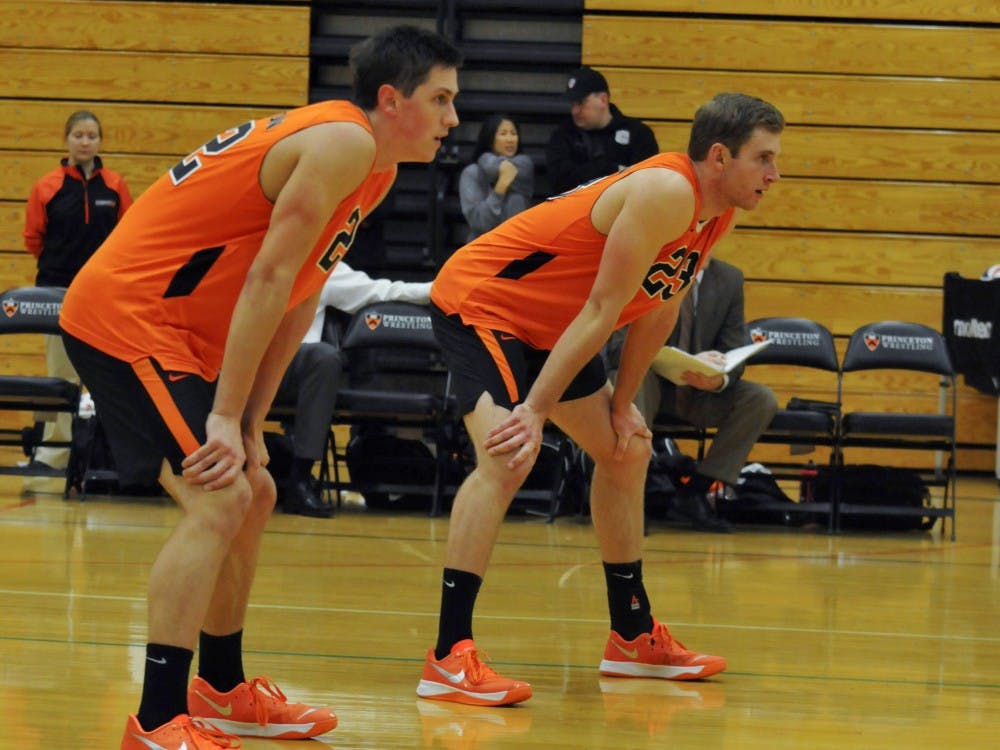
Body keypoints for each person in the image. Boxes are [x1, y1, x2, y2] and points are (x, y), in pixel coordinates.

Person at [58, 25, 461, 750]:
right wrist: (221, 416)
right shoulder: (343, 142)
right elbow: (267, 278)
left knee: (256, 488)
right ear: (392, 99)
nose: (452, 119)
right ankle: (154, 721)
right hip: (127, 316)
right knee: (221, 496)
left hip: (176, 333)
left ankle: (219, 689)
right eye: (441, 99)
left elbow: (301, 292)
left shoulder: (371, 165)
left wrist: (246, 422)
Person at [416, 92, 784, 706]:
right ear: (719, 156)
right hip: (484, 305)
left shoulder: (716, 213)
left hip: (552, 327)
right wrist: (533, 411)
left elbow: (657, 310)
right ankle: (448, 655)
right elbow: (601, 310)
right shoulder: (666, 191)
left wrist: (621, 408)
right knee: (509, 455)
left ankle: (632, 637)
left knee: (626, 451)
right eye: (763, 158)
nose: (774, 173)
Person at [608, 257, 778, 532]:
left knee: (760, 399)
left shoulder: (729, 278)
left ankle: (695, 493)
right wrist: (678, 360)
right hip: (648, 389)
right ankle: (630, 494)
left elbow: (733, 346)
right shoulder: (645, 267)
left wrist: (717, 380)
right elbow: (615, 348)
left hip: (698, 395)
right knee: (631, 378)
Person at [272, 260, 433, 517]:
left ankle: (300, 479)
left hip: (290, 368)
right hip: (232, 358)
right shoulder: (236, 253)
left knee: (324, 357)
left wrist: (438, 289)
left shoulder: (320, 263)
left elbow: (382, 292)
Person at [22, 110, 133, 474]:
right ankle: (53, 454)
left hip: (100, 293)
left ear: (100, 142)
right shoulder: (46, 187)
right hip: (56, 291)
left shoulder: (115, 187)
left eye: (91, 136)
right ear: (66, 140)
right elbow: (33, 239)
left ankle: (97, 455)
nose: (85, 142)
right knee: (61, 374)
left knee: (102, 374)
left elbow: (125, 237)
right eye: (78, 136)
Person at [545, 66, 659, 196]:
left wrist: (587, 173)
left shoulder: (639, 134)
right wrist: (611, 169)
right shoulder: (562, 136)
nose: (575, 111)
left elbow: (646, 183)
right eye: (573, 104)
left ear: (603, 99)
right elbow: (559, 183)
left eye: (581, 103)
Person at [458, 113, 534, 242]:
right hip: (481, 249)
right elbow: (480, 224)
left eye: (513, 133)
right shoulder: (472, 173)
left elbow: (493, 168)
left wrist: (486, 159)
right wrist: (500, 188)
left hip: (517, 247)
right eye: (503, 134)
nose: (510, 139)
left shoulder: (524, 165)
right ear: (489, 138)